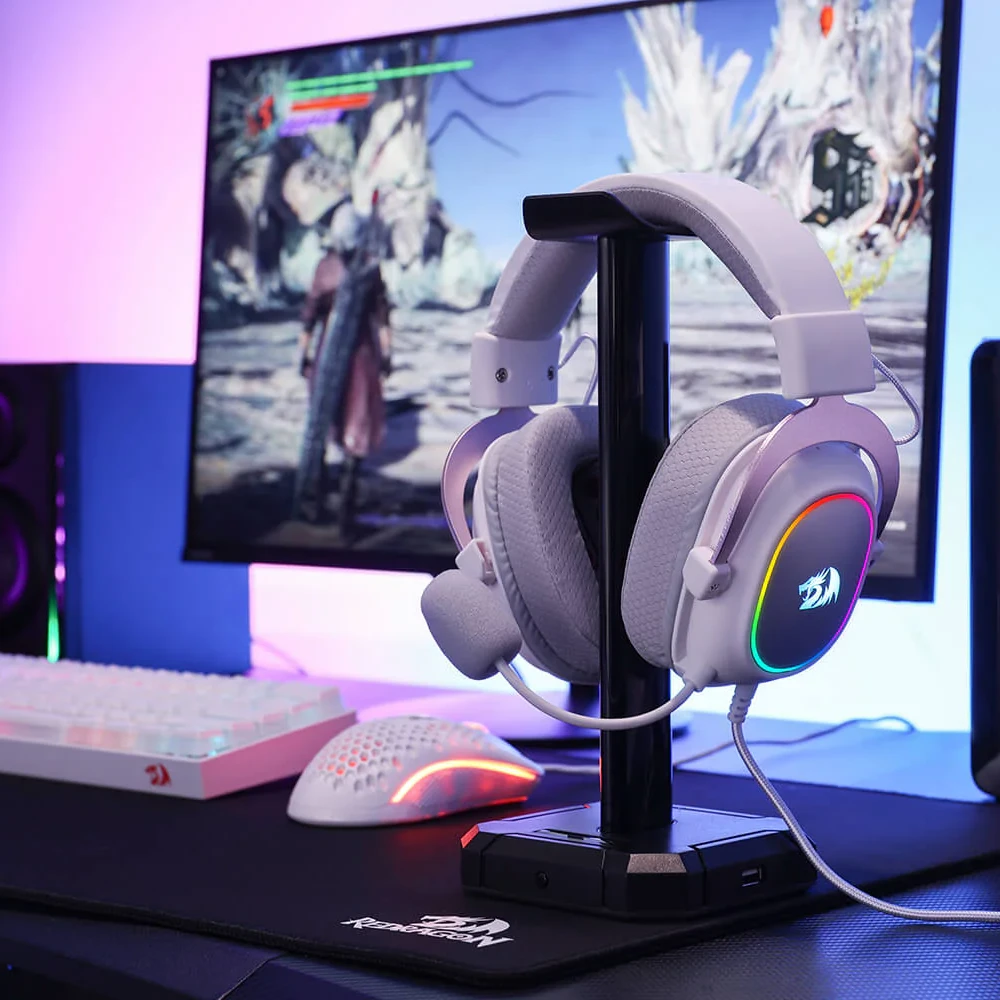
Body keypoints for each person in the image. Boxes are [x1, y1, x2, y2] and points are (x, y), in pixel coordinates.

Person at [299, 202, 392, 537]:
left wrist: (304, 355)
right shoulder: (369, 267)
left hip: (329, 357)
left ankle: (315, 504)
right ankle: (344, 514)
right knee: (356, 424)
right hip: (361, 360)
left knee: (325, 424)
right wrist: (387, 355)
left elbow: (309, 317)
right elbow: (383, 318)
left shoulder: (326, 267)